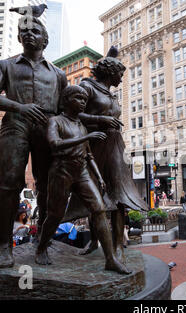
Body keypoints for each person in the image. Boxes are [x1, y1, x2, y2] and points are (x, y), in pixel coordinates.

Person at [0, 15, 68, 268]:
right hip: (15, 125)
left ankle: (43, 242)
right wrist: (19, 107)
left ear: (45, 39)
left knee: (48, 186)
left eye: (35, 30)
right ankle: (5, 247)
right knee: (9, 185)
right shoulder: (5, 65)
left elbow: (64, 109)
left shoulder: (59, 74)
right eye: (24, 30)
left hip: (48, 128)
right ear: (19, 37)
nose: (29, 33)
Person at [35, 85, 129, 274]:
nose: (83, 102)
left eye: (85, 100)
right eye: (79, 98)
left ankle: (110, 259)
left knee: (99, 210)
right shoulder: (56, 121)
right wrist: (86, 137)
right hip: (61, 170)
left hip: (82, 172)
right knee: (55, 215)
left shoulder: (81, 125)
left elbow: (89, 156)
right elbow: (54, 144)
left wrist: (100, 177)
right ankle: (41, 248)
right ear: (67, 100)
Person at [64, 47, 149, 258]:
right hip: (94, 145)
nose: (121, 78)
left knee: (119, 196)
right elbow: (71, 114)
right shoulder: (87, 87)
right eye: (120, 74)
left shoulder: (110, 94)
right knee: (95, 194)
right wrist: (100, 120)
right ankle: (95, 241)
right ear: (111, 72)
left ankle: (119, 246)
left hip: (114, 146)